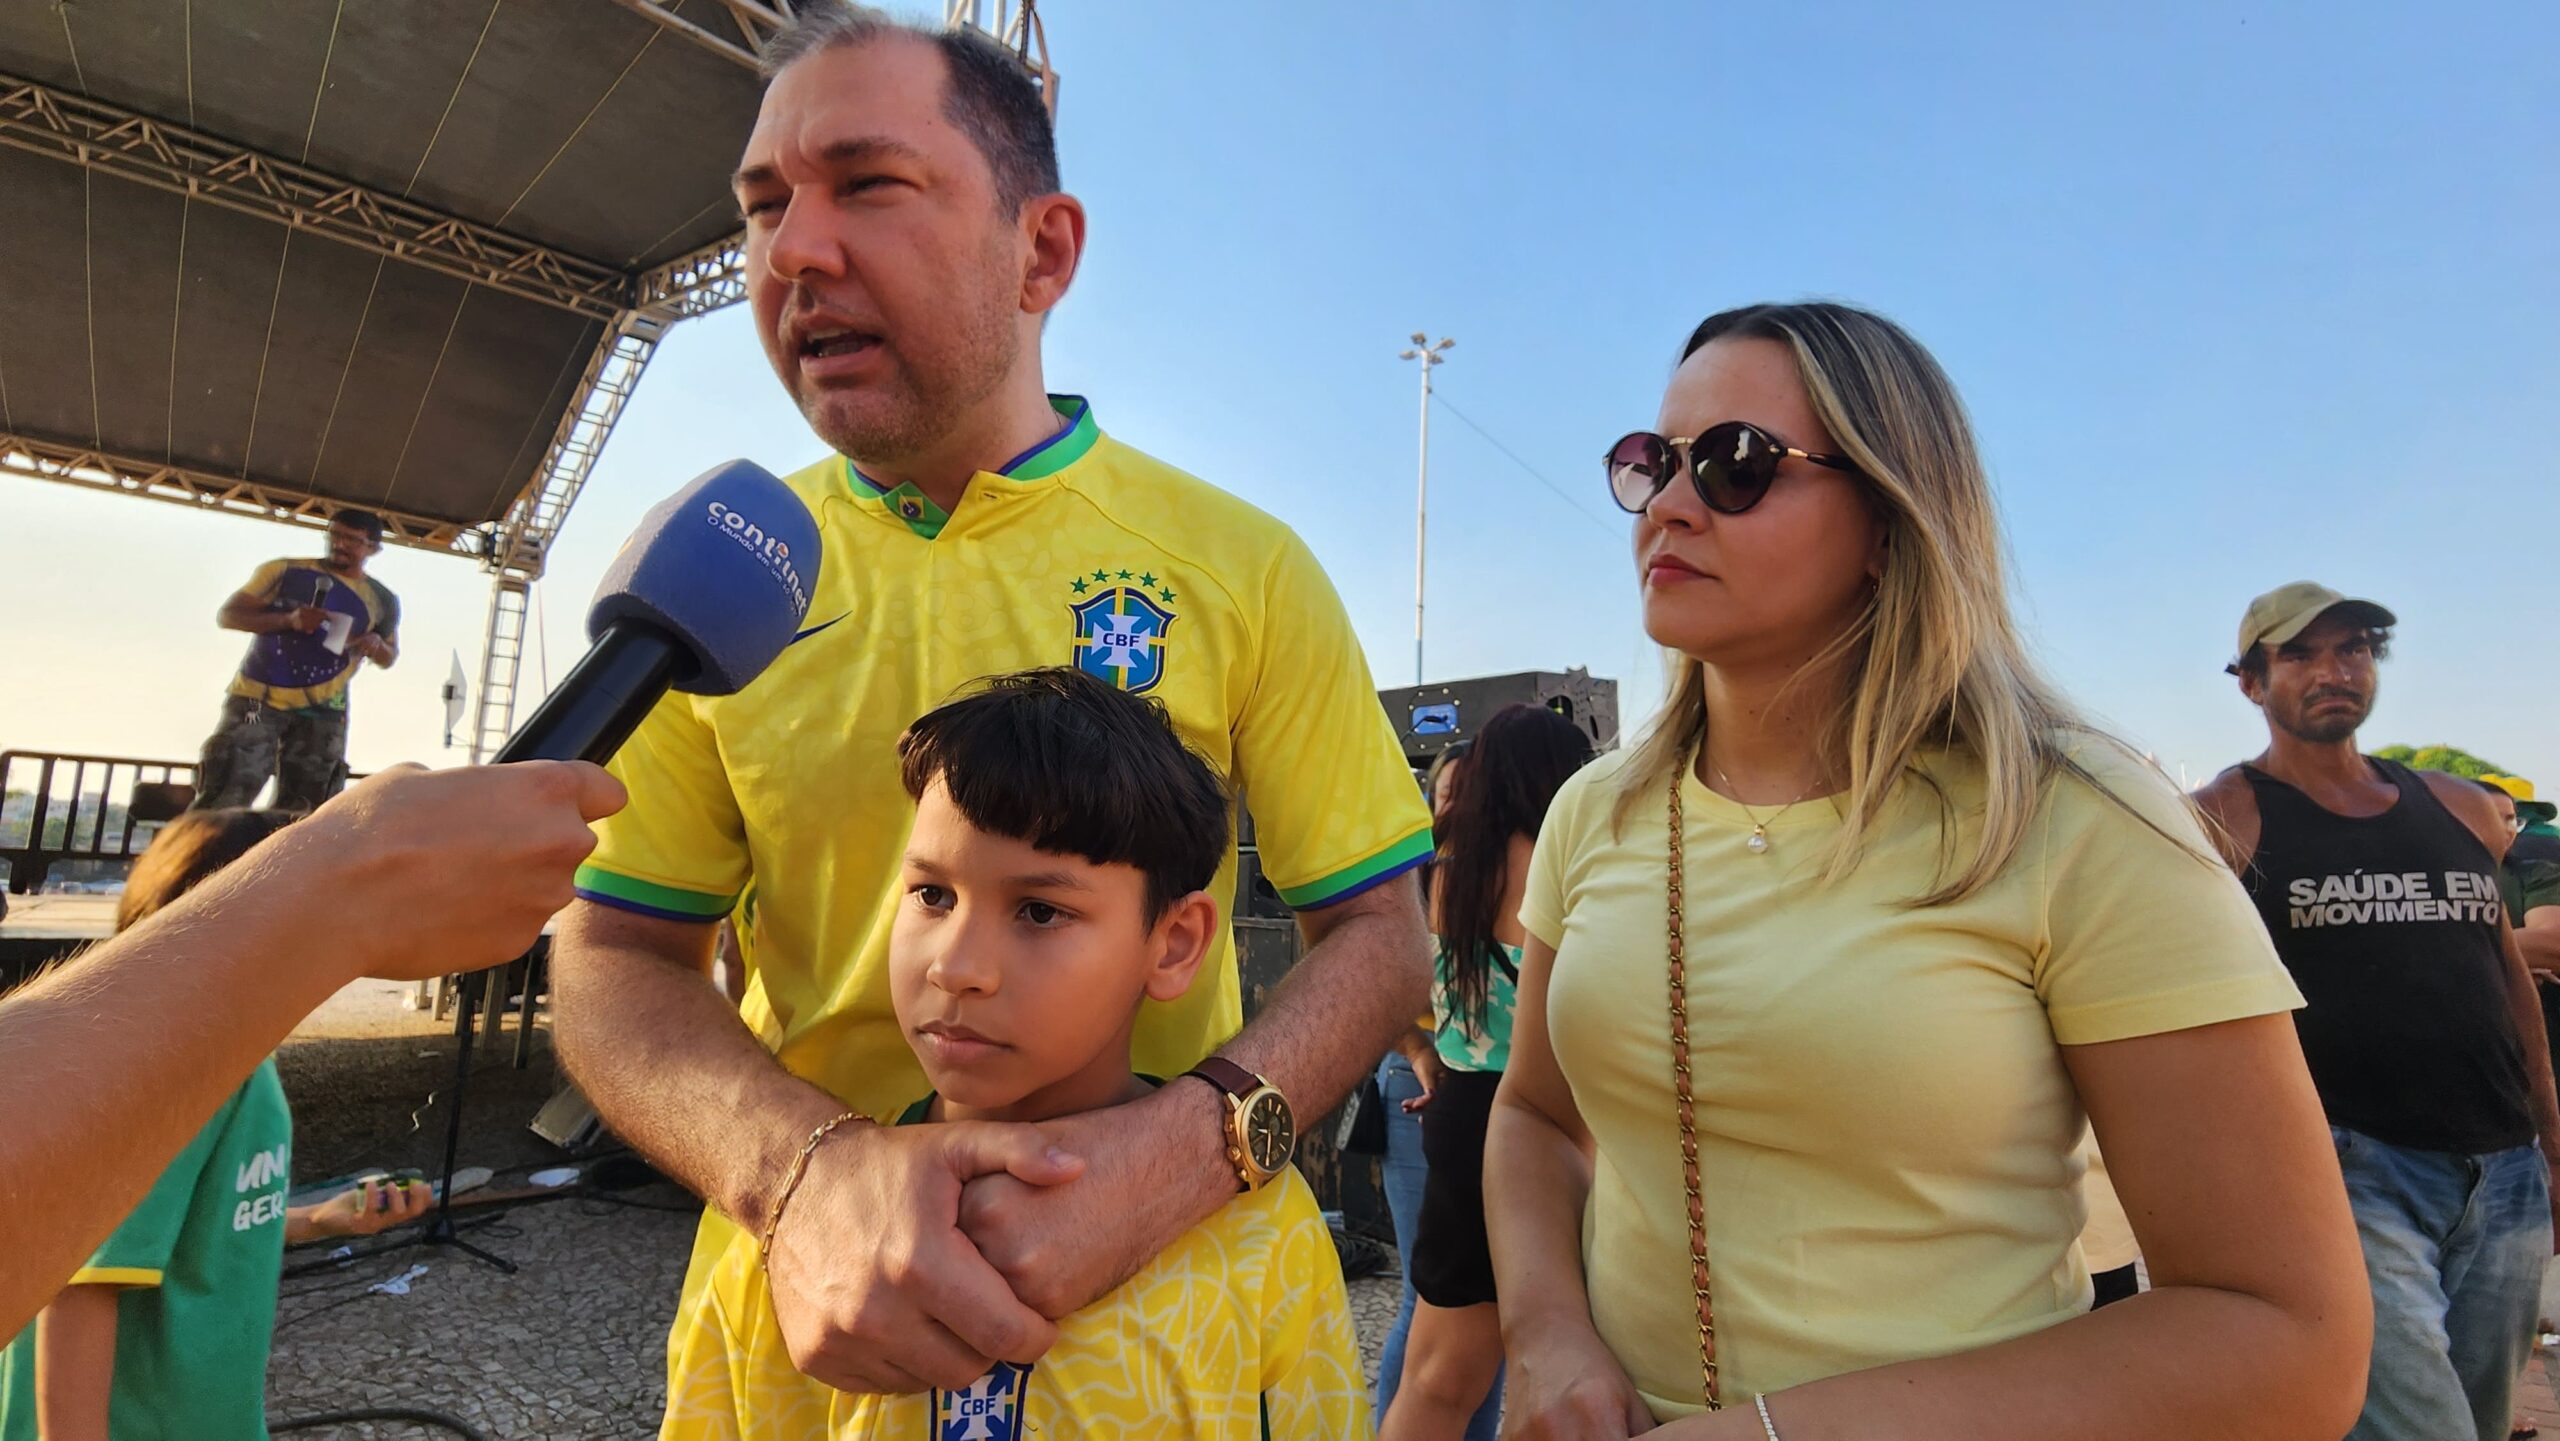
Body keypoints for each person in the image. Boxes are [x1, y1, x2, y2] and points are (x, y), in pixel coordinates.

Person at [547, 5, 1433, 1423]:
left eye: (868, 184)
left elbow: (1381, 938)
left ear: (1046, 250)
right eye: (765, 205)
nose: (795, 251)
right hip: (804, 1320)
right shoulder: (715, 580)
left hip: (1163, 1316)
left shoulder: (1244, 566)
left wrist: (1182, 1155)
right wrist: (801, 1171)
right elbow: (613, 954)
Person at [1488, 301, 2367, 1440]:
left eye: (1736, 464)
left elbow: (2284, 1332)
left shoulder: (2070, 814)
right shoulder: (1592, 813)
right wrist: (1547, 1331)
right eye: (1650, 463)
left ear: (1893, 522)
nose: (1668, 504)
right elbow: (1535, 1115)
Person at [772, 668, 1365, 1436]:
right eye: (932, 894)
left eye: (1040, 910)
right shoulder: (811, 1230)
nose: (955, 967)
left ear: (1174, 942)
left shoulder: (1264, 1235)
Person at [0, 759, 620, 1338]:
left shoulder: (244, 1069)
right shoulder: (162, 1085)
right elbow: (79, 1295)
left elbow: (204, 1230)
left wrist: (323, 1220)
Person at [2194, 583, 2560, 1441]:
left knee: (2481, 1415)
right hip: (2352, 1171)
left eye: (2353, 648)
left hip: (2502, 1167)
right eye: (2301, 653)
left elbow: (2507, 981)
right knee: (2419, 1427)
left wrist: (2550, 1140)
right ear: (2251, 682)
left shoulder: (2461, 807)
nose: (2334, 669)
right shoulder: (2224, 819)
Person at [1, 810, 440, 1438]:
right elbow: (81, 1285)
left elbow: (184, 1230)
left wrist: (318, 1220)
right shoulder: (177, 1073)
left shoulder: (235, 1054)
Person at [1382, 704, 1587, 1440]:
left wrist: (1420, 1054)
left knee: (1438, 1371)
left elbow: (1398, 985)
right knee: (1563, 1348)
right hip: (1544, 1108)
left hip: (1462, 1109)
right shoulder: (1564, 864)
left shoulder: (1447, 873)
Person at [1374, 741, 1499, 1439]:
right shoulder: (1416, 881)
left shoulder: (1507, 881)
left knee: (1485, 1310)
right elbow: (1371, 992)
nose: (1454, 806)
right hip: (1415, 1088)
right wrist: (1420, 1050)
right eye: (1444, 792)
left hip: (1477, 1101)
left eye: (1467, 792)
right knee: (1428, 1303)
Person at [193, 509, 402, 813]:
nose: (340, 544)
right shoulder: (283, 571)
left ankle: (275, 860)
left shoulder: (382, 599)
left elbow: (388, 657)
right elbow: (229, 616)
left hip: (326, 708)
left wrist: (374, 644)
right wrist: (287, 619)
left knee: (306, 808)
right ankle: (201, 856)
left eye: (353, 540)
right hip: (257, 699)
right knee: (230, 790)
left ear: (373, 549)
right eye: (335, 535)